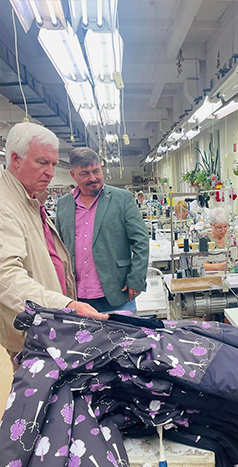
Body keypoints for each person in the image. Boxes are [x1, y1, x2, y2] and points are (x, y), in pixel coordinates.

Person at [0, 123, 107, 370]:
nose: (50, 172)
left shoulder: (29, 198)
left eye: (53, 164)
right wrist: (64, 305)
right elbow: (5, 277)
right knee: (38, 390)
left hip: (49, 323)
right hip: (34, 330)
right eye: (42, 162)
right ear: (15, 159)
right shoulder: (5, 206)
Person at [56, 148, 149, 313]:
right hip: (77, 297)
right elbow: (58, 247)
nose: (93, 178)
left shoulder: (122, 199)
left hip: (118, 293)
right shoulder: (63, 204)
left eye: (96, 171)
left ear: (101, 167)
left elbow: (141, 240)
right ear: (73, 174)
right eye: (85, 173)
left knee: (124, 331)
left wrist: (136, 278)